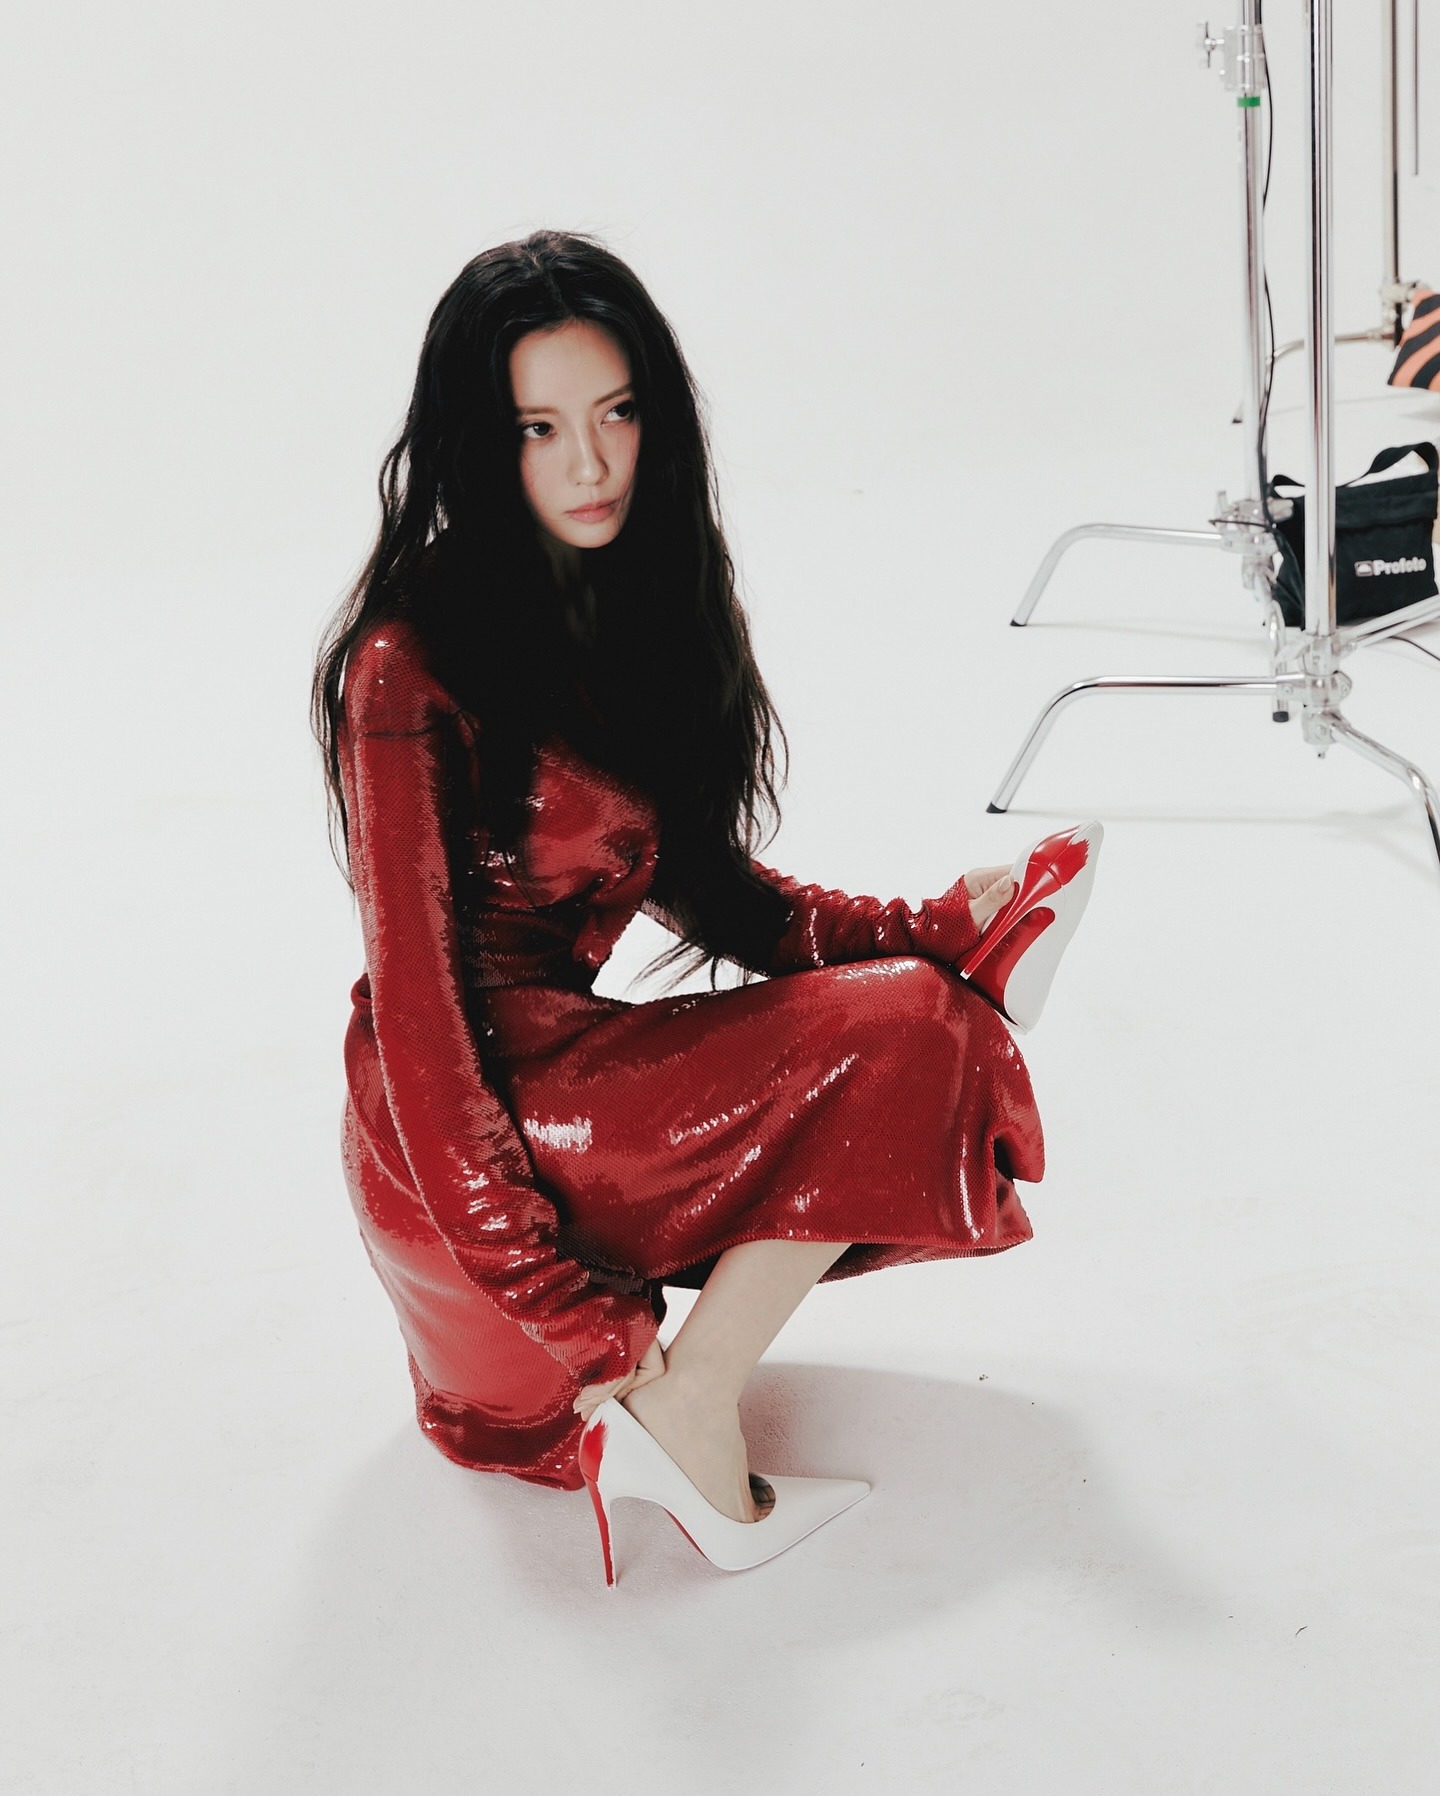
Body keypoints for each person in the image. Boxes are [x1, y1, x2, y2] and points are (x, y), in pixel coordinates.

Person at [311, 228, 1050, 1562]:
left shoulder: (627, 606)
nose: (590, 464)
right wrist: (569, 1312)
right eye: (538, 428)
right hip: (459, 1172)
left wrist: (934, 929)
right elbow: (424, 1036)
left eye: (617, 413)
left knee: (924, 1011)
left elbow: (726, 900)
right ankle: (676, 1404)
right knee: (919, 1031)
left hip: (567, 1102)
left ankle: (693, 1397)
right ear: (479, 444)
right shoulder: (404, 662)